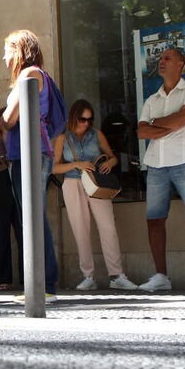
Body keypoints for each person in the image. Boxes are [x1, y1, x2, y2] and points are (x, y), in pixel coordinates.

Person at [136, 48, 185, 293]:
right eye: (160, 59)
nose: (161, 62)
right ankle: (161, 276)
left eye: (167, 58)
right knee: (154, 220)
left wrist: (158, 124)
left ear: (181, 64)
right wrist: (170, 124)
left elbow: (183, 119)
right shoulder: (152, 99)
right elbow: (141, 132)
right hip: (156, 164)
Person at [53, 99, 138, 291]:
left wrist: (110, 163)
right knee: (80, 230)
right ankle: (88, 276)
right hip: (73, 183)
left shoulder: (96, 134)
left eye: (89, 120)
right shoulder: (62, 138)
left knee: (108, 227)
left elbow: (113, 157)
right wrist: (76, 164)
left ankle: (116, 275)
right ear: (74, 117)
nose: (86, 123)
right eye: (82, 119)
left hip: (97, 184)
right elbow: (53, 167)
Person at [2, 29, 61, 303]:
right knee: (35, 216)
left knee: (32, 218)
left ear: (19, 51)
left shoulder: (29, 75)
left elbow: (9, 118)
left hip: (29, 153)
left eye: (8, 50)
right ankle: (43, 283)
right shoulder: (43, 75)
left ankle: (43, 285)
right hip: (37, 152)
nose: (4, 57)